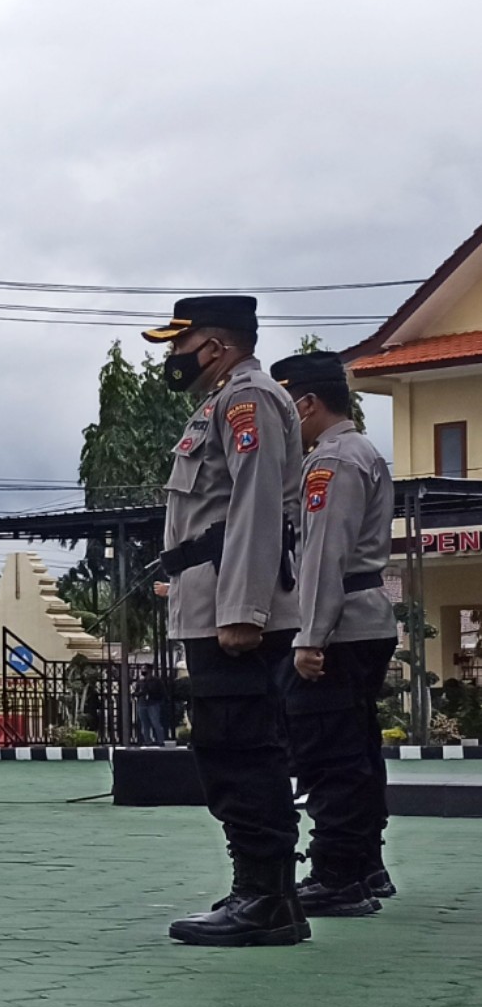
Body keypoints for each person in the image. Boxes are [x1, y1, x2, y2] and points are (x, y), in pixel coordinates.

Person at [148, 296, 308, 947]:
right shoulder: (219, 405)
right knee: (224, 746)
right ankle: (261, 890)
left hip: (235, 612)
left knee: (242, 749)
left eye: (178, 345)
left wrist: (242, 607)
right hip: (209, 601)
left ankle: (267, 899)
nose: (172, 359)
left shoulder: (251, 401)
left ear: (213, 346)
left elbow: (256, 507)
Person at [276, 350, 399, 918]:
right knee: (357, 750)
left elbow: (326, 552)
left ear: (307, 402)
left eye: (286, 406)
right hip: (359, 618)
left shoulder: (334, 462)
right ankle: (365, 864)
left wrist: (310, 637)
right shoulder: (359, 451)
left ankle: (337, 874)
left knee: (330, 755)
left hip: (341, 623)